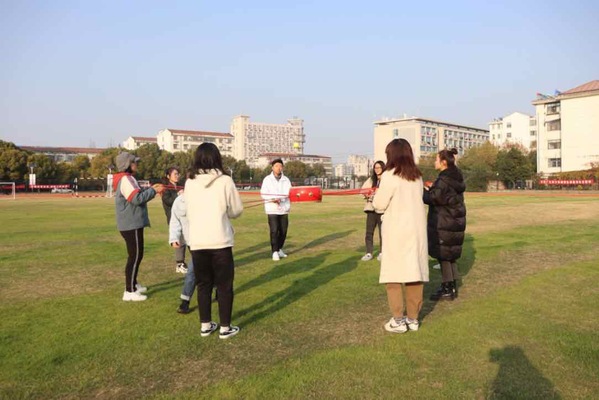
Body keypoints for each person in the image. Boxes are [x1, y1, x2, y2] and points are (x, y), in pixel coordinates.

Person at [185, 143, 243, 339]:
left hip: (197, 241)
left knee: (203, 285)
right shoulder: (225, 181)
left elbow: (188, 210)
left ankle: (205, 325)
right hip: (220, 241)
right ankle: (225, 328)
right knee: (224, 286)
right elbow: (236, 210)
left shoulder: (189, 182)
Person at [373, 139, 428, 333]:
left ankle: (398, 320)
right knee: (415, 274)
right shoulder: (417, 176)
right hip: (416, 231)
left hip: (397, 230)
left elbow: (379, 204)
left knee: (393, 275)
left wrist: (374, 198)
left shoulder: (390, 175)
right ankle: (413, 318)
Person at [113, 151, 164, 302]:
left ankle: (133, 284)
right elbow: (136, 199)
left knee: (136, 255)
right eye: (134, 162)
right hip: (131, 224)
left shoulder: (128, 178)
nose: (136, 164)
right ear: (127, 165)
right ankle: (129, 291)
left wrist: (152, 189)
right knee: (135, 256)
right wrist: (154, 191)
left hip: (132, 223)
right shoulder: (125, 179)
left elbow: (138, 194)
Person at [423, 148, 466, 301]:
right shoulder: (455, 177)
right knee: (450, 255)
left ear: (443, 162)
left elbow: (433, 198)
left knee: (444, 256)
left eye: (436, 159)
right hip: (453, 220)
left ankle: (447, 288)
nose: (434, 162)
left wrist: (423, 191)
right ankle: (451, 286)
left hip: (444, 221)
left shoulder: (444, 180)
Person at [260, 158, 292, 261]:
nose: (279, 168)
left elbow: (289, 192)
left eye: (280, 166)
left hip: (284, 208)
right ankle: (274, 251)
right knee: (274, 230)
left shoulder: (286, 180)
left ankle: (279, 249)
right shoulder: (267, 179)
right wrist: (272, 199)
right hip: (272, 209)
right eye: (276, 166)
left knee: (283, 231)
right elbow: (263, 193)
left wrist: (281, 199)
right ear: (272, 168)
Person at [162, 167, 188, 274]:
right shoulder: (166, 188)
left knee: (185, 239)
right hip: (173, 218)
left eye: (178, 174)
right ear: (168, 176)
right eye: (175, 174)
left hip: (183, 217)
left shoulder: (180, 186)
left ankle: (184, 262)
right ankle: (179, 264)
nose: (177, 176)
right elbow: (168, 201)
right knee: (179, 240)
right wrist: (178, 195)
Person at [361, 161, 385, 261]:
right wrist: (368, 194)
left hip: (382, 210)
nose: (377, 170)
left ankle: (382, 252)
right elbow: (363, 190)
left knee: (383, 233)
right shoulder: (371, 179)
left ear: (383, 168)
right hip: (371, 209)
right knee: (369, 232)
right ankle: (369, 253)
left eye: (379, 168)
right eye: (375, 168)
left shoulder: (386, 179)